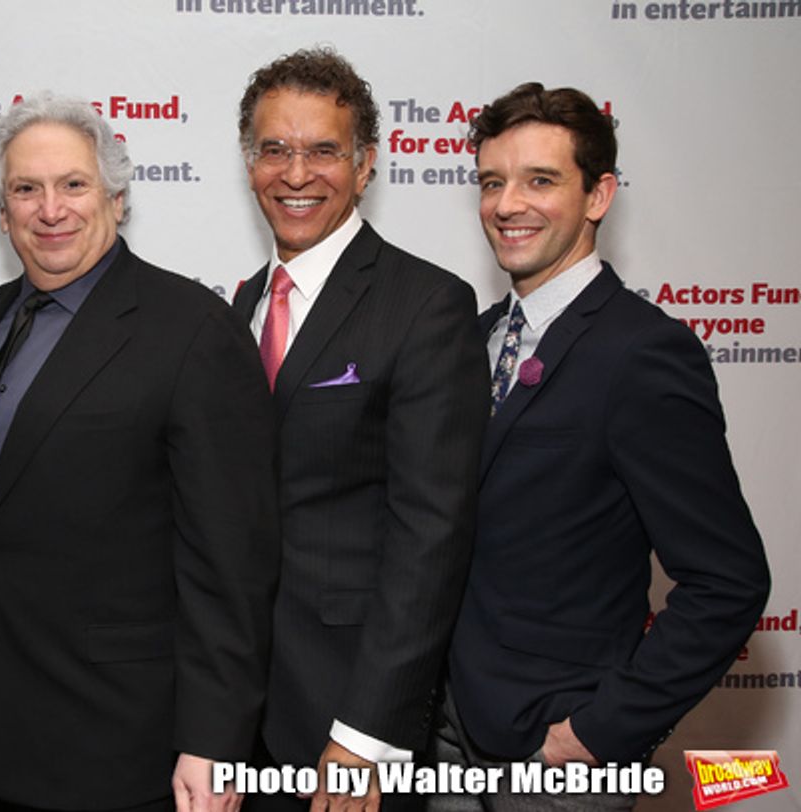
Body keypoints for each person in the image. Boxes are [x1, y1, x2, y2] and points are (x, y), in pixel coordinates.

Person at [0, 93, 279, 812]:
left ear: (117, 200)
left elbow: (231, 563)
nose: (49, 209)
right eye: (26, 189)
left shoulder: (191, 329)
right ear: (2, 214)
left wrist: (215, 740)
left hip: (123, 747)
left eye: (73, 185)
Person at [432, 82, 772, 810]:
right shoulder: (471, 337)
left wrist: (597, 732)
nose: (507, 204)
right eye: (492, 182)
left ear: (599, 195)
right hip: (442, 735)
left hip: (557, 758)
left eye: (540, 180)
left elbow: (728, 580)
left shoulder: (643, 354)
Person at [230, 47, 490, 810]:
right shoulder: (240, 304)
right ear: (250, 163)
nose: (296, 173)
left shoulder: (426, 305)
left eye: (323, 151)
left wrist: (367, 734)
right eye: (275, 149)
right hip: (240, 717)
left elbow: (432, 537)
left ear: (366, 163)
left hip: (349, 728)